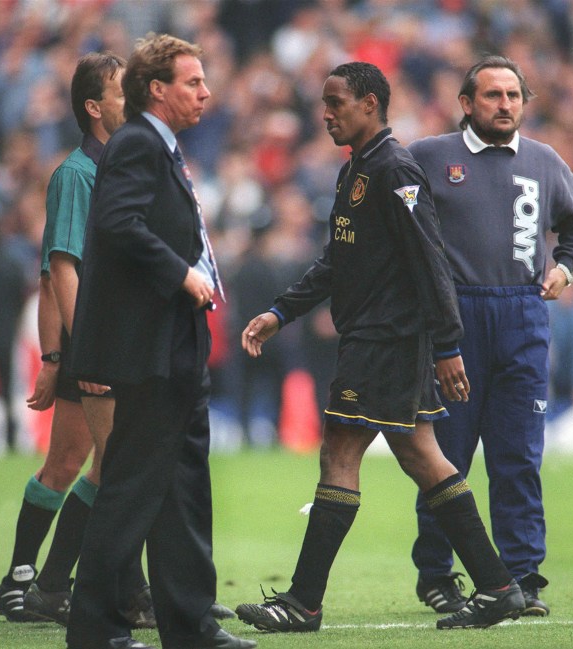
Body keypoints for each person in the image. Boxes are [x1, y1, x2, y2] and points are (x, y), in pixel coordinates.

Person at [235, 61, 524, 633]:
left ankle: (303, 602)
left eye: (336, 102)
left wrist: (447, 344)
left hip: (383, 339)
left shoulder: (394, 169)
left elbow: (429, 259)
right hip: (381, 337)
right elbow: (335, 262)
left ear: (370, 104)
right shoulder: (358, 170)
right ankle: (497, 588)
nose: (325, 114)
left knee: (340, 453)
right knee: (422, 456)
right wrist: (280, 311)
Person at [65, 34, 255, 649]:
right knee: (130, 489)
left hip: (174, 343)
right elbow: (118, 223)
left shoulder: (161, 149)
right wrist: (182, 272)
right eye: (193, 83)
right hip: (148, 349)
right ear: (158, 91)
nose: (206, 92)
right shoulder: (140, 145)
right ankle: (95, 629)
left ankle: (189, 625)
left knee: (182, 490)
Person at [407, 55, 573, 617]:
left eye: (513, 95)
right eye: (492, 95)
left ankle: (520, 578)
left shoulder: (543, 161)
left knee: (518, 457)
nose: (505, 105)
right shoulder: (429, 156)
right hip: (455, 318)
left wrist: (566, 264)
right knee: (448, 457)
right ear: (466, 103)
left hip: (522, 314)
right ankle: (437, 573)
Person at [0, 52, 158, 629]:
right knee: (96, 465)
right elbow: (58, 271)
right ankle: (41, 582)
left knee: (87, 465)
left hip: (118, 339)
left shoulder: (127, 166)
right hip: (96, 340)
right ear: (94, 107)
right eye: (121, 93)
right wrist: (62, 354)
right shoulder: (75, 175)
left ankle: (46, 584)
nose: (132, 103)